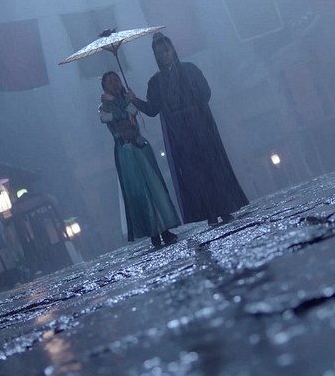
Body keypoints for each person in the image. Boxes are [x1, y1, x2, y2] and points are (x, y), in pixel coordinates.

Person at [127, 32, 248, 226]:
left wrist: (190, 102)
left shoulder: (190, 70)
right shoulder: (155, 82)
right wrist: (134, 100)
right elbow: (152, 109)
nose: (164, 55)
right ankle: (209, 213)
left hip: (201, 126)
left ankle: (225, 208)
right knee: (194, 174)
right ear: (156, 56)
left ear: (172, 50)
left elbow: (206, 93)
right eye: (160, 53)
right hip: (180, 134)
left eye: (166, 50)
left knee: (214, 167)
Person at [98, 71, 180, 247]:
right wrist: (119, 104)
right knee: (139, 191)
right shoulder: (104, 107)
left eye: (116, 80)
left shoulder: (127, 99)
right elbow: (109, 117)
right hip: (125, 151)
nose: (114, 84)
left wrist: (124, 101)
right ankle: (153, 232)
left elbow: (133, 111)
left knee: (154, 187)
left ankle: (164, 229)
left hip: (140, 146)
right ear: (105, 87)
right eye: (110, 82)